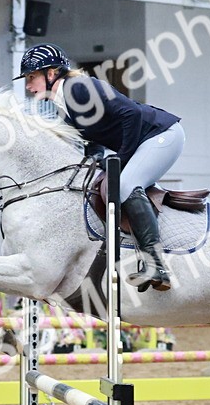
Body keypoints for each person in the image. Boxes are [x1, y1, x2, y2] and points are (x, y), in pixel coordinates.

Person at [16, 43, 182, 291]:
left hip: (162, 135)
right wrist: (92, 159)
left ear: (51, 74)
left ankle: (155, 263)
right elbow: (93, 137)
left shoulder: (79, 88)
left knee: (126, 184)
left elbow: (131, 115)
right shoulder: (64, 104)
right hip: (145, 140)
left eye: (32, 77)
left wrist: (121, 159)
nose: (28, 86)